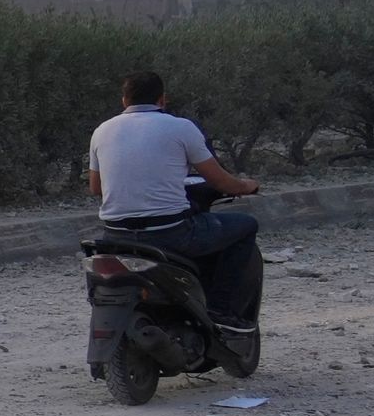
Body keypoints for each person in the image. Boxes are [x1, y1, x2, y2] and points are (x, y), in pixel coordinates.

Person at [88, 69, 263, 330]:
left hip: (115, 236)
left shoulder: (101, 131)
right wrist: (248, 185)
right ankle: (221, 311)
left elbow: (96, 188)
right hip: (171, 234)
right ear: (162, 100)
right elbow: (220, 182)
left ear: (124, 100)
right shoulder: (180, 127)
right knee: (246, 226)